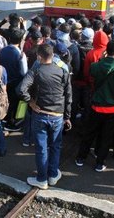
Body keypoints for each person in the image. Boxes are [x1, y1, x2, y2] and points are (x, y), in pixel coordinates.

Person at [18, 43, 72, 189]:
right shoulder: (63, 71)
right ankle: (53, 175)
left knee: (41, 148)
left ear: (38, 57)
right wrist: (67, 116)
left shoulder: (36, 71)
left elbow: (22, 89)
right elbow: (68, 95)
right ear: (53, 55)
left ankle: (41, 178)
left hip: (40, 114)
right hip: (57, 115)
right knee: (56, 146)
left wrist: (30, 102)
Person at [75, 40, 114, 172]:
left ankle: (80, 158)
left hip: (96, 107)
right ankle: (100, 163)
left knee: (89, 133)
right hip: (113, 110)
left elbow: (91, 74)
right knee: (106, 137)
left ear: (107, 50)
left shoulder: (96, 66)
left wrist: (102, 58)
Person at [0, 28, 28, 133]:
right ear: (20, 41)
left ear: (10, 38)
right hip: (16, 82)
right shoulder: (20, 55)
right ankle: (11, 123)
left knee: (5, 101)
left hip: (4, 81)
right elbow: (24, 72)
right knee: (14, 103)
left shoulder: (2, 50)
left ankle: (4, 119)